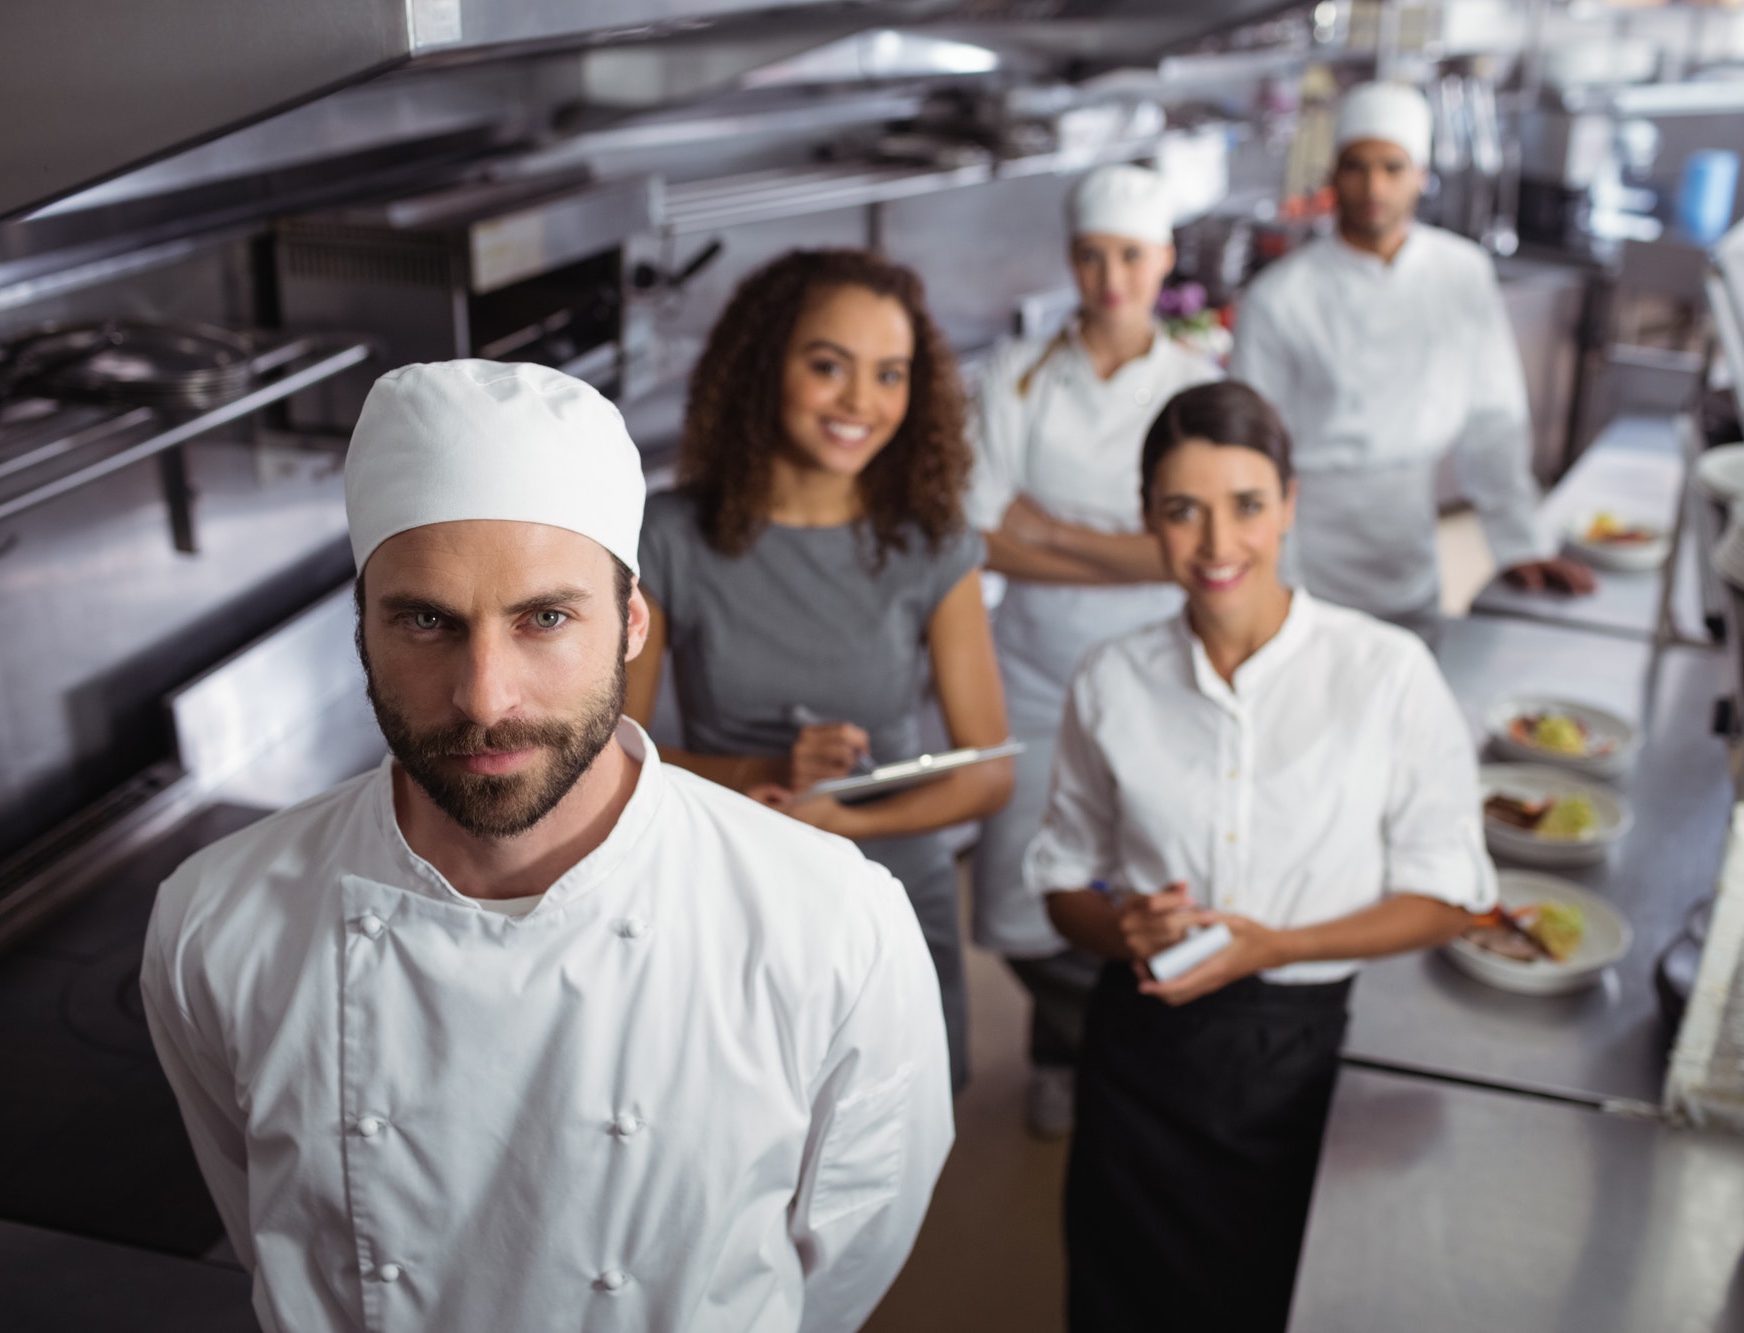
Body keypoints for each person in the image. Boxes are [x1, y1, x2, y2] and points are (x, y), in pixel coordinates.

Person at [141, 360, 953, 1333]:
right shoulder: (215, 921)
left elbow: (844, 1256)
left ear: (632, 626)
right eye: (426, 621)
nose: (485, 697)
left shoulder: (829, 921)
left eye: (545, 618)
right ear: (362, 630)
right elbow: (259, 1218)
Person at [1028, 380, 1496, 1332]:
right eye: (1181, 511)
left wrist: (1272, 946)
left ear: (1289, 501)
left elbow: (1453, 894)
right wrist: (1122, 928)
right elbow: (1061, 880)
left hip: (1306, 1050)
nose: (1216, 545)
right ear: (1148, 519)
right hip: (1146, 1053)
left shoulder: (1385, 671)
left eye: (1246, 506)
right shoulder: (1112, 679)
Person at [625, 249, 1013, 1092]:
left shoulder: (933, 544)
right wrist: (762, 773)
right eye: (829, 366)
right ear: (766, 364)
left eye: (889, 374)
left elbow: (988, 773)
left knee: (888, 1165)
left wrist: (851, 825)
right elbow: (608, 753)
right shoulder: (665, 537)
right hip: (728, 890)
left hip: (891, 899)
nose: (861, 403)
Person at [965, 164, 1221, 1137]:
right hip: (1025, 671)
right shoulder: (1016, 372)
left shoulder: (1196, 386)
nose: (1109, 277)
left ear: (1161, 261)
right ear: (1069, 260)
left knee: (1147, 870)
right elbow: (978, 531)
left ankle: (1104, 1055)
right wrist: (1137, 550)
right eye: (1090, 255)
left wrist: (1051, 530)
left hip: (1156, 672)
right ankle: (1066, 1034)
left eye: (1129, 255)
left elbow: (1191, 551)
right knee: (1021, 888)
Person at [1231, 81, 1593, 648]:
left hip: (1410, 548)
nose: (1374, 186)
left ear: (1421, 175)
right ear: (1332, 175)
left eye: (1392, 168)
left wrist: (1518, 542)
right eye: (1357, 166)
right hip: (1308, 552)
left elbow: (1493, 417)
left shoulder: (1461, 273)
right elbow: (1253, 455)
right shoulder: (1279, 298)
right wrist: (1276, 581)